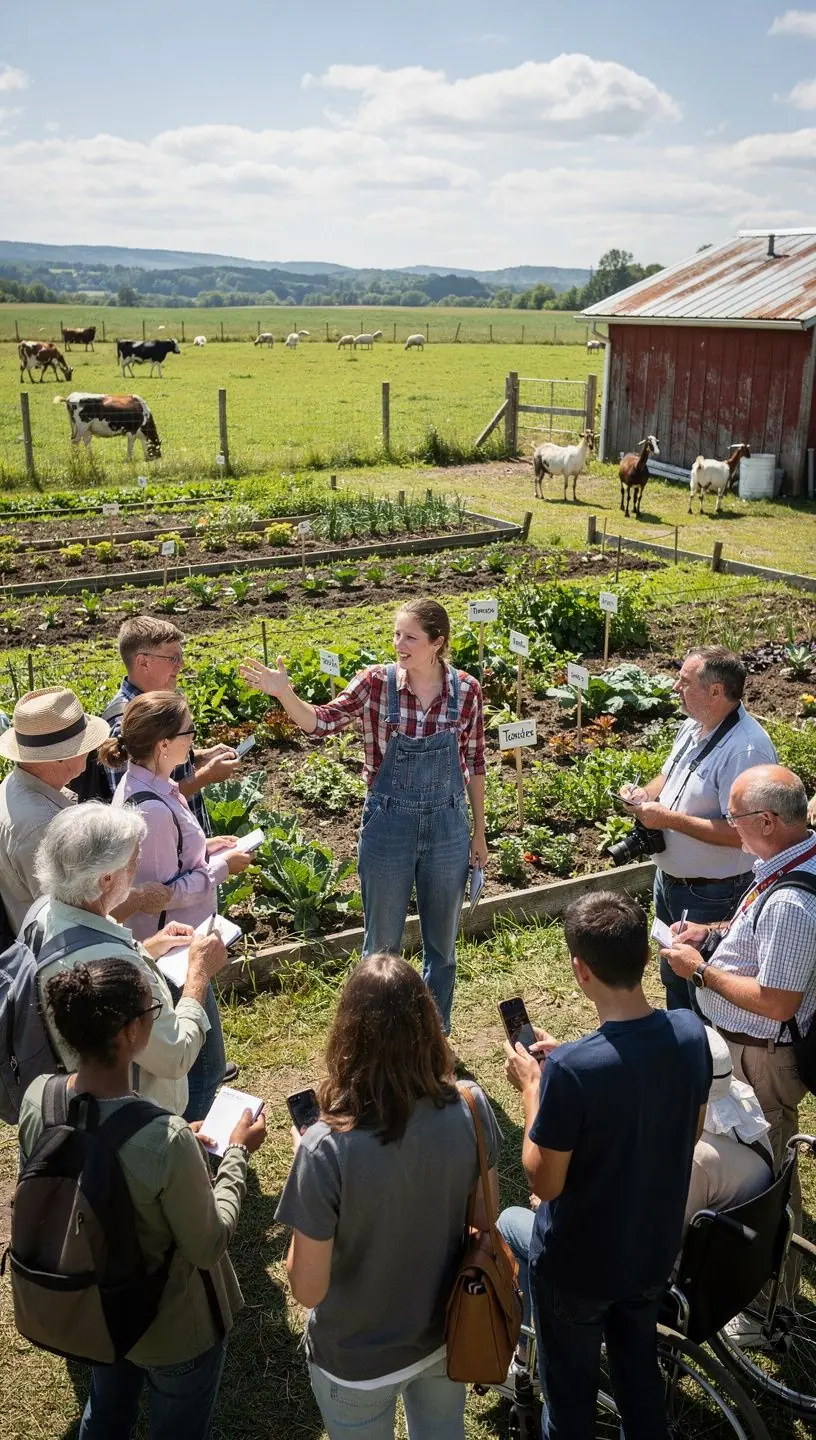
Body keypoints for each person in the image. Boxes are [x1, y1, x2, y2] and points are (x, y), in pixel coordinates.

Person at [19, 958, 266, 1439]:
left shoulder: (38, 1099)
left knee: (106, 1414)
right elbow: (208, 1245)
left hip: (98, 1309)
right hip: (171, 1333)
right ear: (133, 1032)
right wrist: (235, 1154)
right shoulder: (164, 1139)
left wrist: (177, 1150)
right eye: (155, 1007)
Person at [504, 892, 711, 1440]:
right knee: (637, 1375)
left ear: (580, 969)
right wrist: (572, 1060)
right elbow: (684, 1131)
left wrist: (533, 1090)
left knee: (569, 1401)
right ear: (646, 955)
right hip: (651, 1253)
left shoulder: (570, 1073)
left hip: (579, 1270)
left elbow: (543, 1183)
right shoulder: (690, 1032)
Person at [275, 952, 501, 1440]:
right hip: (445, 1332)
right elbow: (485, 1217)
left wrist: (305, 1170)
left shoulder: (322, 1150)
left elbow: (307, 1289)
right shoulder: (471, 1105)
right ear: (429, 1023)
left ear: (348, 1036)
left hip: (353, 1362)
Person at [241, 599, 486, 1034]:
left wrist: (478, 834)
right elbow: (320, 722)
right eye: (396, 634)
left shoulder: (466, 691)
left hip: (448, 826)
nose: (399, 644)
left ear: (437, 643)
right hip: (388, 826)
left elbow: (475, 763)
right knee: (381, 947)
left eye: (410, 637)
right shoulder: (377, 683)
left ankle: (434, 1039)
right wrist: (285, 693)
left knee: (442, 948)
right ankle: (379, 1041)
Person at [497, 1025, 772, 1328]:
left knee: (510, 1222)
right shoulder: (743, 1106)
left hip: (651, 1282)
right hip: (734, 1259)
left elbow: (640, 1230)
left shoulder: (694, 1160)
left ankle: (524, 1354)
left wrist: (553, 1202)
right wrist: (566, 1057)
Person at [664, 764, 816, 1237]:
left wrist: (700, 971)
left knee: (764, 1180)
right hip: (751, 1048)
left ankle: (774, 1293)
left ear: (768, 821)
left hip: (763, 1057)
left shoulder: (792, 903)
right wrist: (709, 934)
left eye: (735, 817)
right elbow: (759, 936)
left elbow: (776, 1002)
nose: (730, 827)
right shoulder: (792, 859)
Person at [33, 802, 228, 1118]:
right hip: (139, 1123)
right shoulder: (119, 966)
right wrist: (199, 973)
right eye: (133, 862)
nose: (136, 871)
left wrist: (149, 948)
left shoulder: (44, 914)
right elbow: (175, 1054)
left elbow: (94, 969)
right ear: (106, 880)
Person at [619, 646, 776, 1011]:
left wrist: (669, 820)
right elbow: (668, 776)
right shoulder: (694, 726)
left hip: (714, 894)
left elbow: (743, 834)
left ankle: (709, 1063)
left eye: (685, 682)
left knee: (704, 991)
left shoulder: (746, 750)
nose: (676, 687)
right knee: (674, 977)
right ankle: (684, 1053)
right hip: (670, 883)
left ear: (716, 692)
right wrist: (645, 794)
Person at [0, 687, 169, 938]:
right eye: (83, 744)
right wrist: (139, 898)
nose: (91, 751)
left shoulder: (14, 788)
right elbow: (70, 917)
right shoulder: (43, 825)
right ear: (58, 758)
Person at [101, 691, 252, 941]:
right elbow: (163, 895)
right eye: (189, 731)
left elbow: (168, 859)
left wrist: (205, 847)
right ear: (164, 744)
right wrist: (224, 867)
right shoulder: (152, 812)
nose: (193, 738)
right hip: (174, 947)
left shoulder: (142, 782)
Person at [85, 616, 241, 833]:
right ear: (143, 662)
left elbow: (158, 764)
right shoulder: (125, 723)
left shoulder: (155, 706)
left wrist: (200, 757)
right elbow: (138, 805)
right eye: (173, 658)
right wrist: (206, 776)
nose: (181, 664)